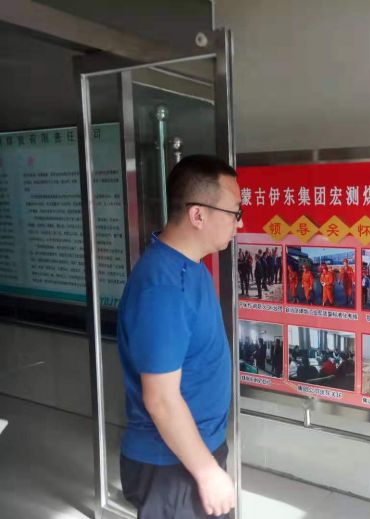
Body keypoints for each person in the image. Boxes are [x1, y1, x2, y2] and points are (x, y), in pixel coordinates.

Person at [117, 155, 241, 518]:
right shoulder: (163, 289)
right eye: (234, 212)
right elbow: (161, 400)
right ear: (198, 215)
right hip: (170, 465)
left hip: (192, 449)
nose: (239, 222)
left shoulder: (191, 266)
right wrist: (206, 472)